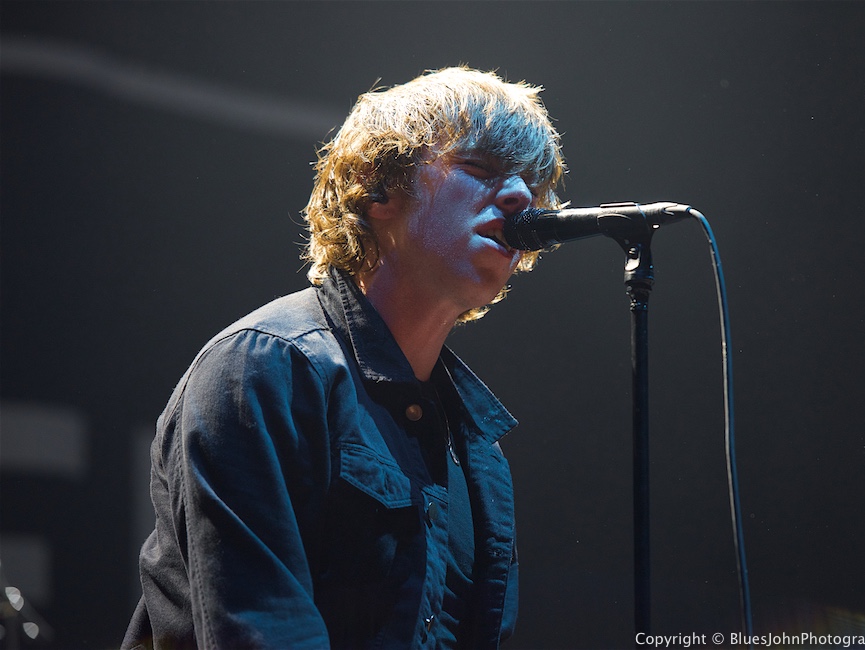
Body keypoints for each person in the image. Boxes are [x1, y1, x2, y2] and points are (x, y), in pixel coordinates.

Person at [122, 66, 565, 649]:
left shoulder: (475, 446)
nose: (520, 197)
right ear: (378, 187)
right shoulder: (264, 370)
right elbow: (260, 630)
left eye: (530, 183)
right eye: (480, 168)